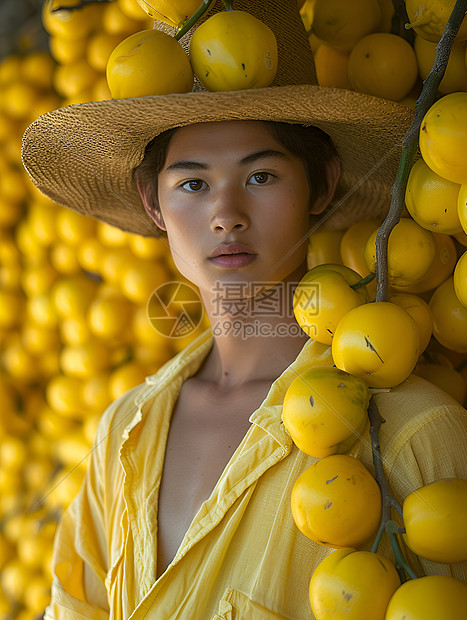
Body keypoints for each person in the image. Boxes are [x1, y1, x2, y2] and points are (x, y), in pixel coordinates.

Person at [21, 1, 467, 618]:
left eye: (260, 177)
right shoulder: (126, 428)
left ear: (322, 185)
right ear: (155, 207)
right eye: (193, 184)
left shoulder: (414, 436)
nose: (226, 213)